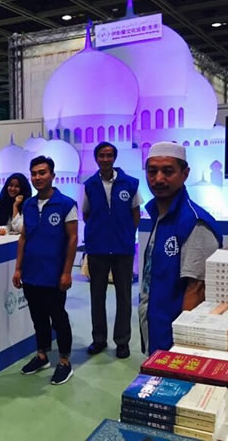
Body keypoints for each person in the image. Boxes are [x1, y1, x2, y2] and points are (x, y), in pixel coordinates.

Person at [140, 142, 222, 355]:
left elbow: (196, 291)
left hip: (175, 340)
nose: (159, 179)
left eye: (168, 171)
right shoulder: (159, 216)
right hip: (156, 325)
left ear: (185, 174)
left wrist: (182, 350)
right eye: (152, 171)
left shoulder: (194, 223)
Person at [13, 156, 77, 386]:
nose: (38, 177)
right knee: (37, 317)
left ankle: (64, 362)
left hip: (54, 274)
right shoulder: (28, 205)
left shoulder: (66, 204)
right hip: (31, 273)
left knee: (58, 317)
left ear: (52, 175)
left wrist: (67, 272)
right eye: (34, 173)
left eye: (42, 172)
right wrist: (18, 268)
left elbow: (72, 239)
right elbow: (24, 237)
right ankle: (42, 356)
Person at [83, 142, 143, 359]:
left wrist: (125, 234)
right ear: (96, 158)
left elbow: (135, 213)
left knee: (124, 296)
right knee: (97, 295)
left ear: (114, 158)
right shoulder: (90, 185)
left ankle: (122, 341)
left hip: (122, 248)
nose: (106, 159)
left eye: (109, 155)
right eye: (102, 155)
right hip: (97, 248)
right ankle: (99, 339)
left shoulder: (130, 183)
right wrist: (100, 232)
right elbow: (86, 214)